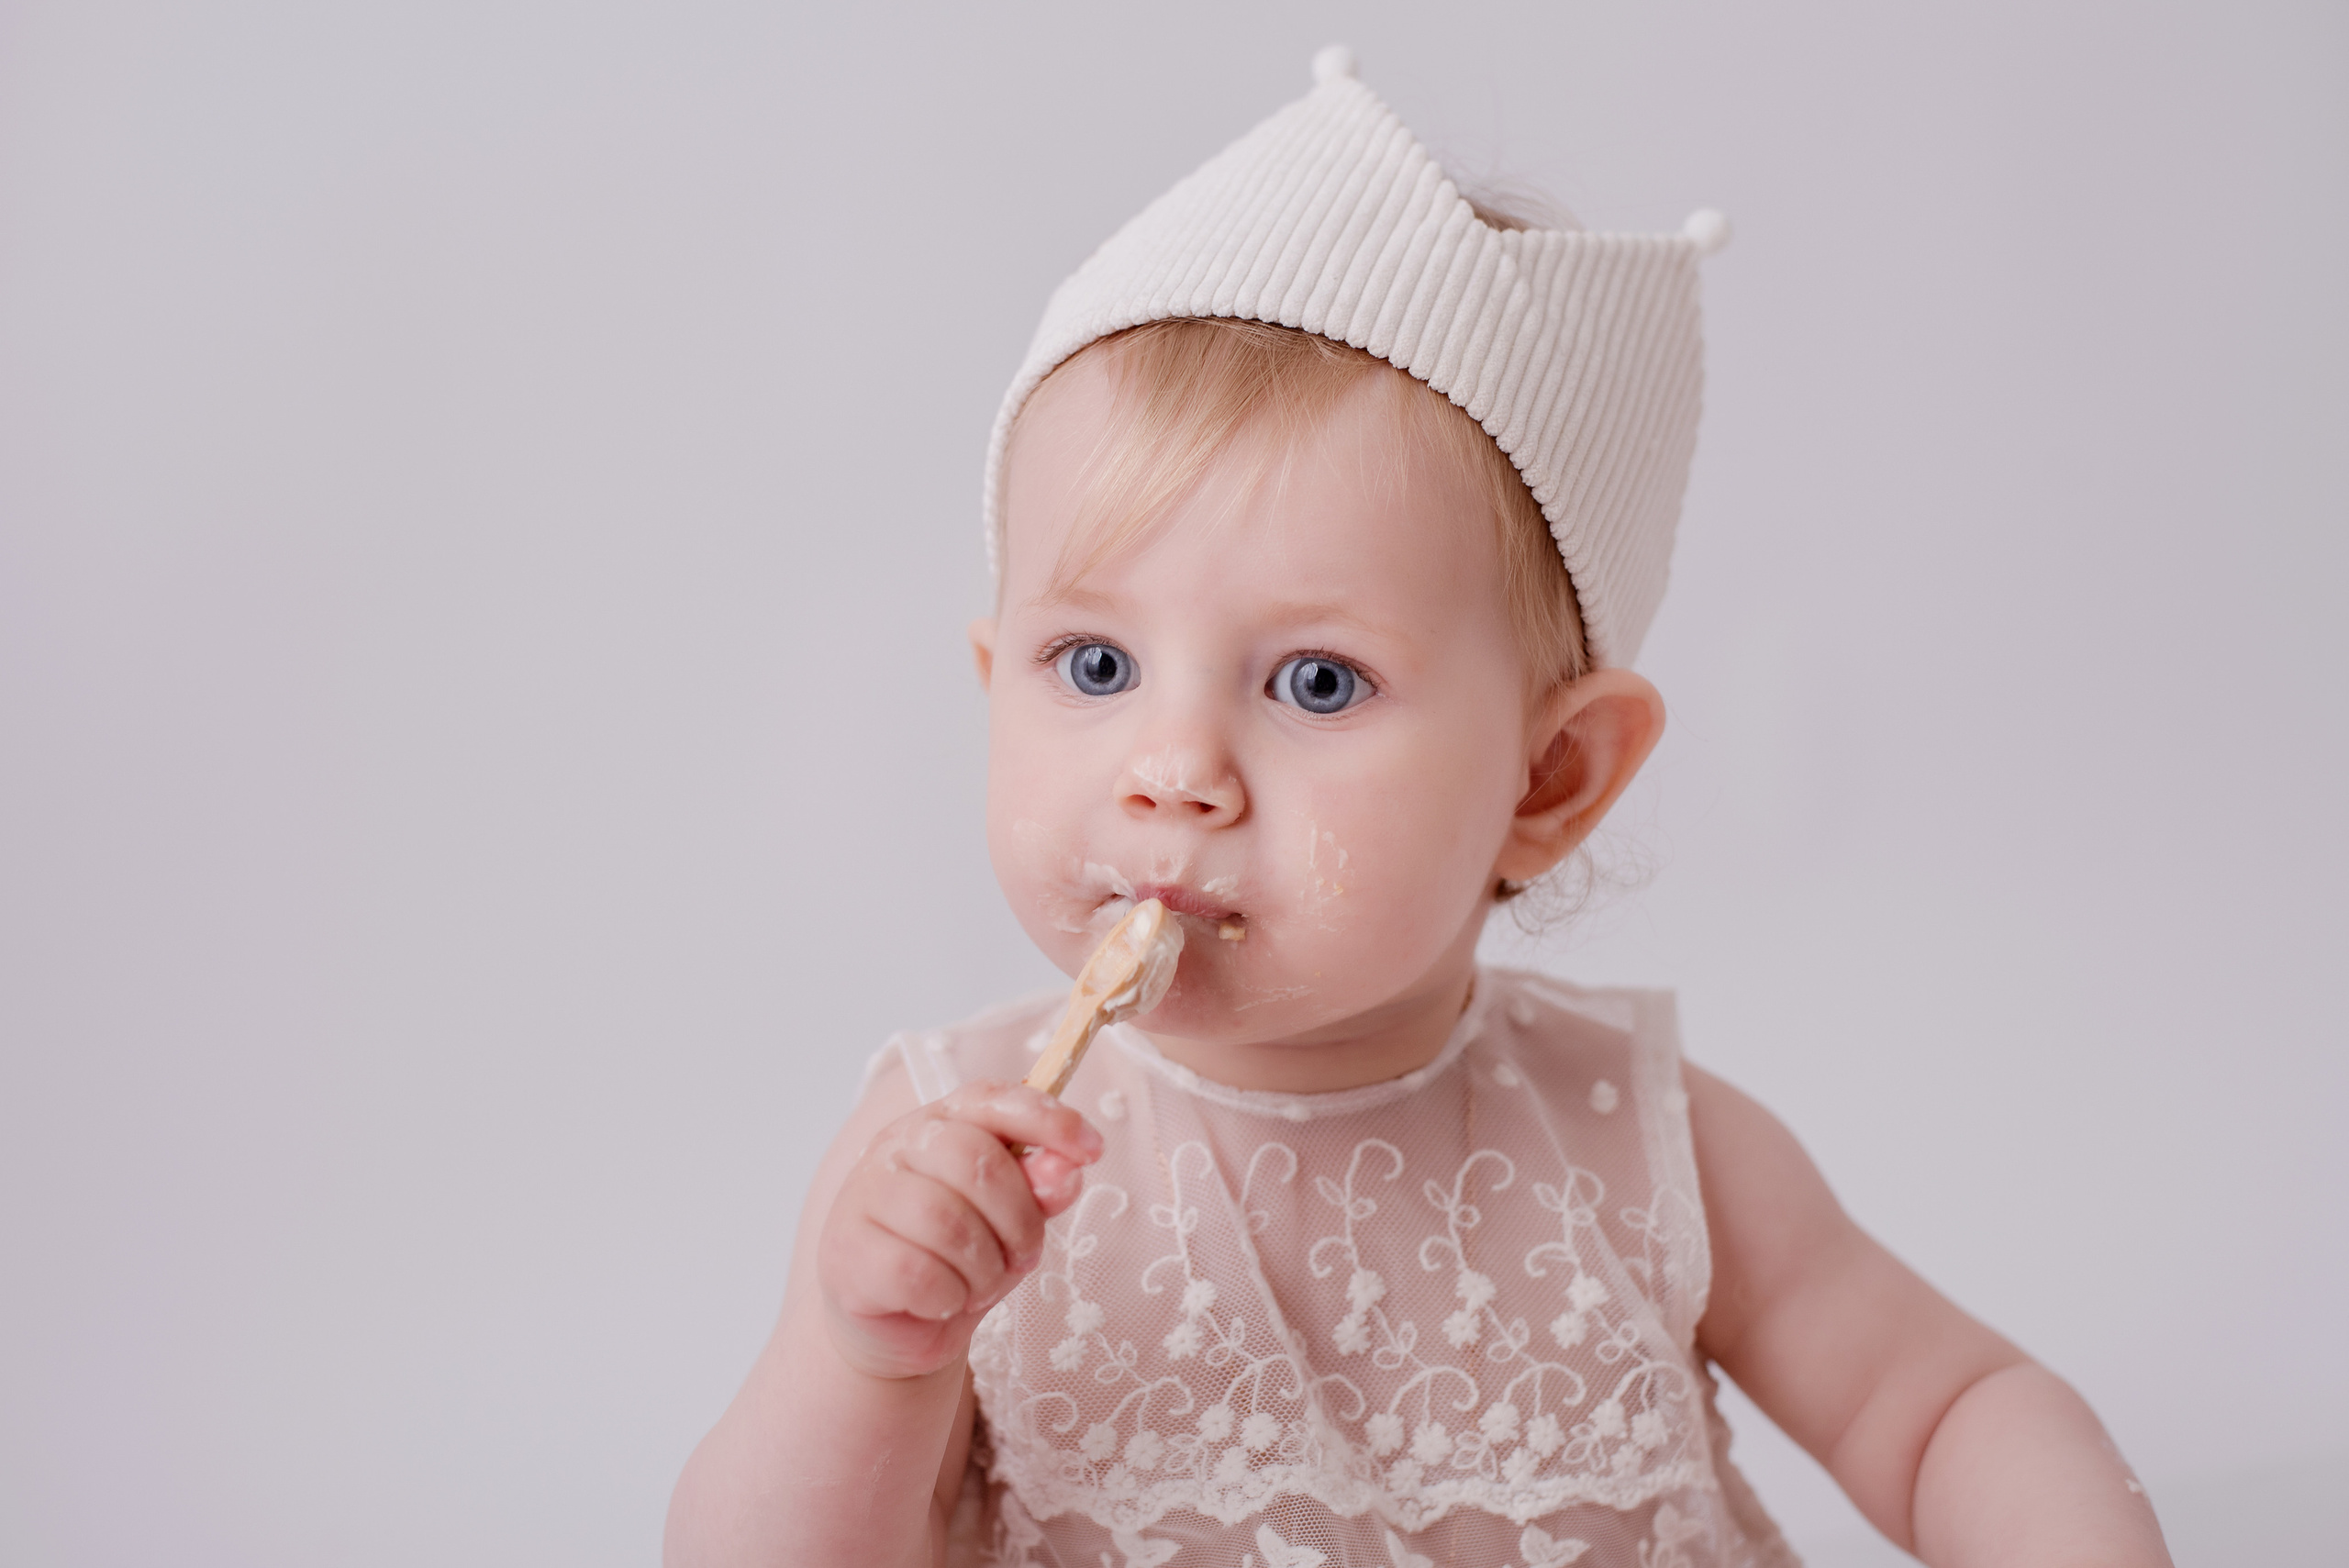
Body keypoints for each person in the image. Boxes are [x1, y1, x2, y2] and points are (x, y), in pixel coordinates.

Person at [666, 48, 2173, 1568]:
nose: (1173, 764)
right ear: (994, 680)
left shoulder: (1644, 1141)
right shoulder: (948, 1155)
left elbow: (1948, 1408)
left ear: (1550, 777)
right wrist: (868, 1356)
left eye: (1316, 682)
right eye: (1097, 661)